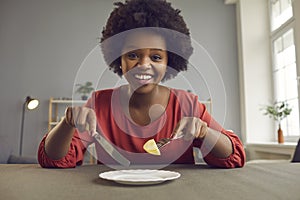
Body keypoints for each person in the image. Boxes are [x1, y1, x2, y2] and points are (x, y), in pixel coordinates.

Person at [38, 0, 245, 168]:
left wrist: (204, 132)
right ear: (119, 58)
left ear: (169, 62)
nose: (143, 65)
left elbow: (234, 156)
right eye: (133, 55)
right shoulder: (99, 103)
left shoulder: (187, 104)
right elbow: (53, 160)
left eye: (156, 57)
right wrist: (67, 123)